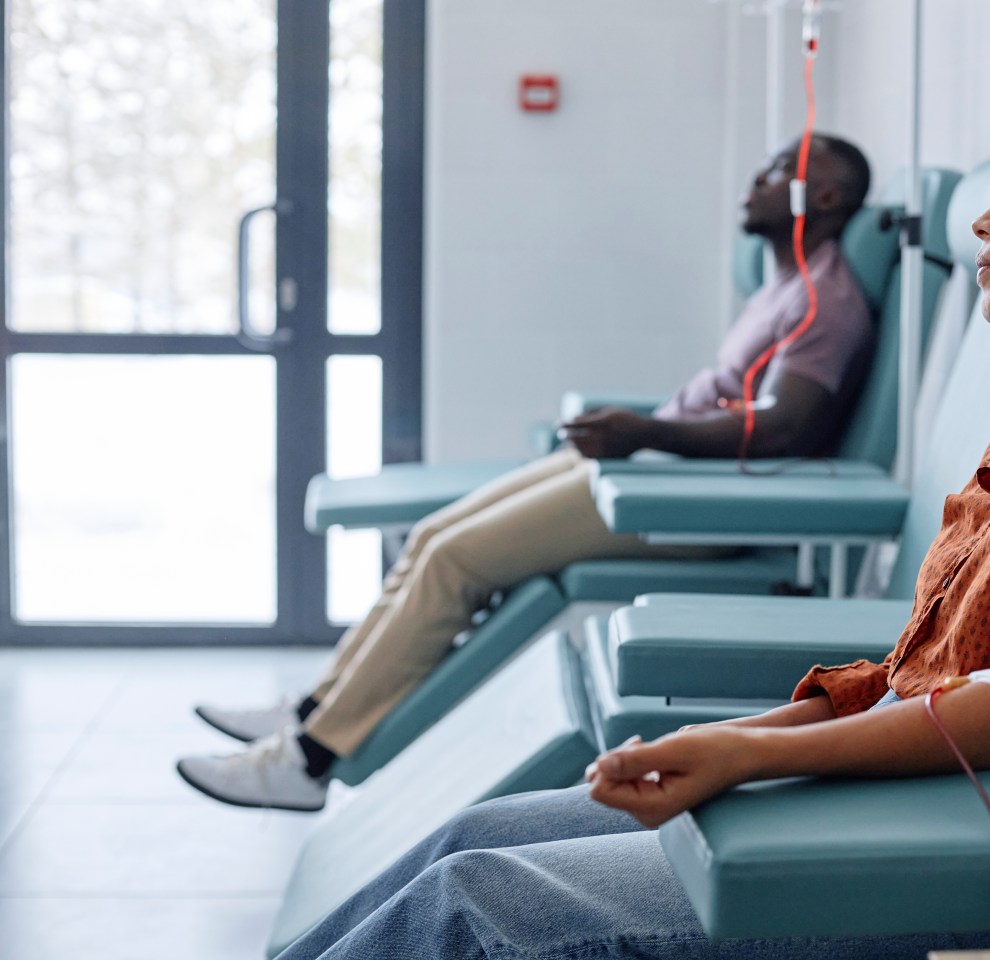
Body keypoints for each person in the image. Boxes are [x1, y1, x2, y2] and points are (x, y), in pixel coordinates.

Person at [271, 67, 990, 959]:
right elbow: (927, 675)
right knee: (474, 837)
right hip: (917, 801)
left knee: (476, 905)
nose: (988, 222)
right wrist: (735, 735)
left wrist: (752, 759)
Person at [176, 134, 876, 812]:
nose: (757, 177)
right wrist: (637, 434)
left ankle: (309, 760)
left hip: (688, 499)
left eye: (779, 168)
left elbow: (788, 426)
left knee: (454, 561)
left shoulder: (827, 302)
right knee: (433, 535)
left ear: (824, 193)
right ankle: (314, 708)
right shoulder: (785, 286)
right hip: (656, 473)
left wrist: (645, 433)